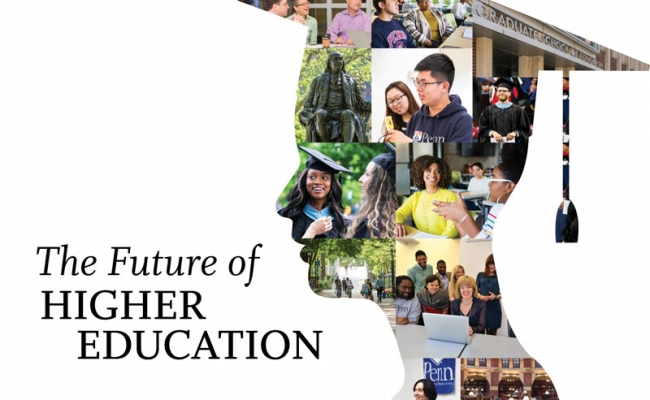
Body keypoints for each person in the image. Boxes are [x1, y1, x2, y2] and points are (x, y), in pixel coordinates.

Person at [433, 144, 528, 239]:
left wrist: (464, 216)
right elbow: (475, 240)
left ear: (510, 186)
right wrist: (457, 219)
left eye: (493, 179)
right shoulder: (497, 209)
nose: (489, 184)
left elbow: (486, 247)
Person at [385, 53, 472, 143]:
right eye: (417, 82)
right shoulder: (416, 118)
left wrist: (410, 143)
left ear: (444, 87)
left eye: (424, 83)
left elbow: (452, 155)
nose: (418, 88)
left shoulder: (462, 120)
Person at [278, 146, 350, 238]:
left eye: (324, 178)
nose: (317, 182)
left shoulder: (343, 224)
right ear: (305, 181)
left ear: (332, 184)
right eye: (312, 177)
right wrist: (312, 231)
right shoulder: (286, 216)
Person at [299, 52, 371, 142]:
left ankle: (348, 144)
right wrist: (311, 111)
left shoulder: (352, 81)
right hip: (325, 111)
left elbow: (360, 102)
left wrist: (373, 104)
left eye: (340, 59)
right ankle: (324, 143)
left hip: (343, 111)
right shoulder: (318, 80)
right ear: (329, 62)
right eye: (335, 59)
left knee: (348, 113)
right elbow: (308, 102)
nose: (339, 61)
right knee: (320, 113)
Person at [395, 155, 459, 237]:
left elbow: (453, 229)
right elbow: (400, 213)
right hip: (423, 242)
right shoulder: (416, 197)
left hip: (446, 243)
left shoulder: (450, 196)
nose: (433, 175)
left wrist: (437, 242)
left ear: (442, 175)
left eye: (438, 171)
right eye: (428, 170)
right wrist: (397, 223)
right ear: (421, 172)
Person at [346, 146, 398, 238]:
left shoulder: (371, 224)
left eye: (366, 174)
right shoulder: (395, 219)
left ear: (378, 183)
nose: (360, 179)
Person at [478, 78, 531, 143]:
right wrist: (492, 133)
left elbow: (525, 130)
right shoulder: (488, 110)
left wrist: (515, 133)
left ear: (509, 93)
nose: (502, 93)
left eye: (504, 91)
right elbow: (482, 130)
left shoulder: (518, 110)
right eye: (499, 91)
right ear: (496, 93)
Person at [476, 254, 502, 335]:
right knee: (480, 334)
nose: (492, 266)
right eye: (491, 264)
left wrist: (495, 297)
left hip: (494, 308)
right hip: (481, 307)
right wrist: (480, 296)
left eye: (495, 264)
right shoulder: (480, 275)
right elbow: (474, 291)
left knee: (493, 335)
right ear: (487, 264)